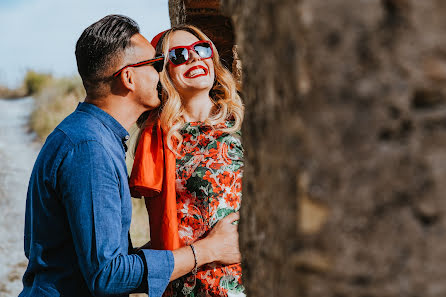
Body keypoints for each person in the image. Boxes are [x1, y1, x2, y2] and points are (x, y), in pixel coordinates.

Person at [19, 15, 241, 297]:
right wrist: (206, 250)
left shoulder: (91, 137)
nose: (159, 74)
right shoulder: (90, 148)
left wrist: (188, 246)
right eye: (156, 65)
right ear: (128, 77)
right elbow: (109, 274)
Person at [129, 25, 245, 297]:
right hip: (185, 286)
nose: (194, 58)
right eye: (178, 55)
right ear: (163, 72)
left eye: (200, 50)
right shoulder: (158, 138)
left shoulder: (244, 124)